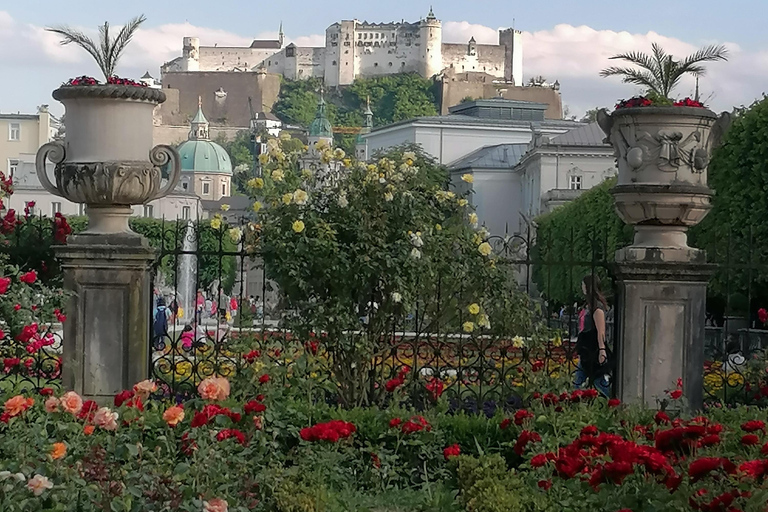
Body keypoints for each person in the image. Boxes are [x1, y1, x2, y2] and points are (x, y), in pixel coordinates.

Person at [574, 275, 611, 396]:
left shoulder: (597, 308)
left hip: (593, 350)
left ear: (589, 286)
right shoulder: (589, 305)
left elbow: (601, 331)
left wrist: (602, 350)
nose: (582, 287)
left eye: (583, 284)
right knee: (584, 380)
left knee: (597, 381)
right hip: (586, 349)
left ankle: (609, 403)